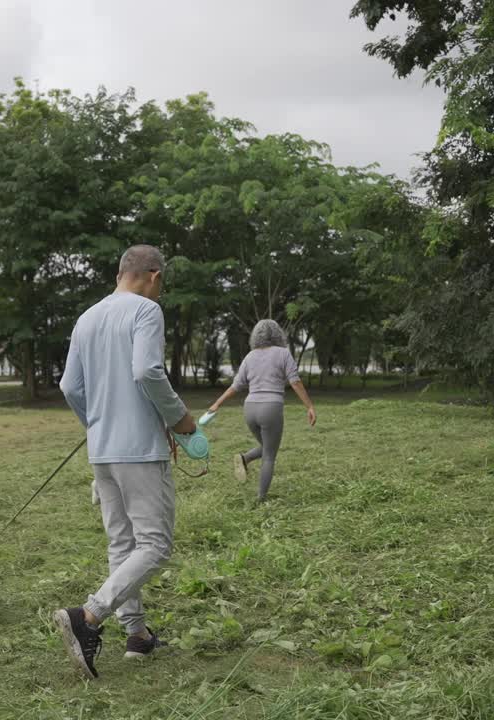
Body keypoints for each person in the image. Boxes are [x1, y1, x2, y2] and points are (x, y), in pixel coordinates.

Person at [55, 244, 197, 679]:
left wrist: (94, 424)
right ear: (153, 275)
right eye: (162, 284)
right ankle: (89, 617)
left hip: (102, 449)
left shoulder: (86, 318)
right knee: (154, 544)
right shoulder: (146, 311)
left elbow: (69, 386)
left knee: (122, 543)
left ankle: (137, 635)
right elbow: (147, 371)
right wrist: (180, 421)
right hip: (139, 448)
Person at [207, 319, 316, 502]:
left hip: (250, 409)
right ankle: (261, 498)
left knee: (267, 447)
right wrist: (309, 406)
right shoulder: (283, 353)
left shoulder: (250, 356)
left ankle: (244, 458)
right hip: (271, 408)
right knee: (270, 456)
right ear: (277, 334)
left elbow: (237, 385)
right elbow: (295, 381)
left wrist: (217, 403)